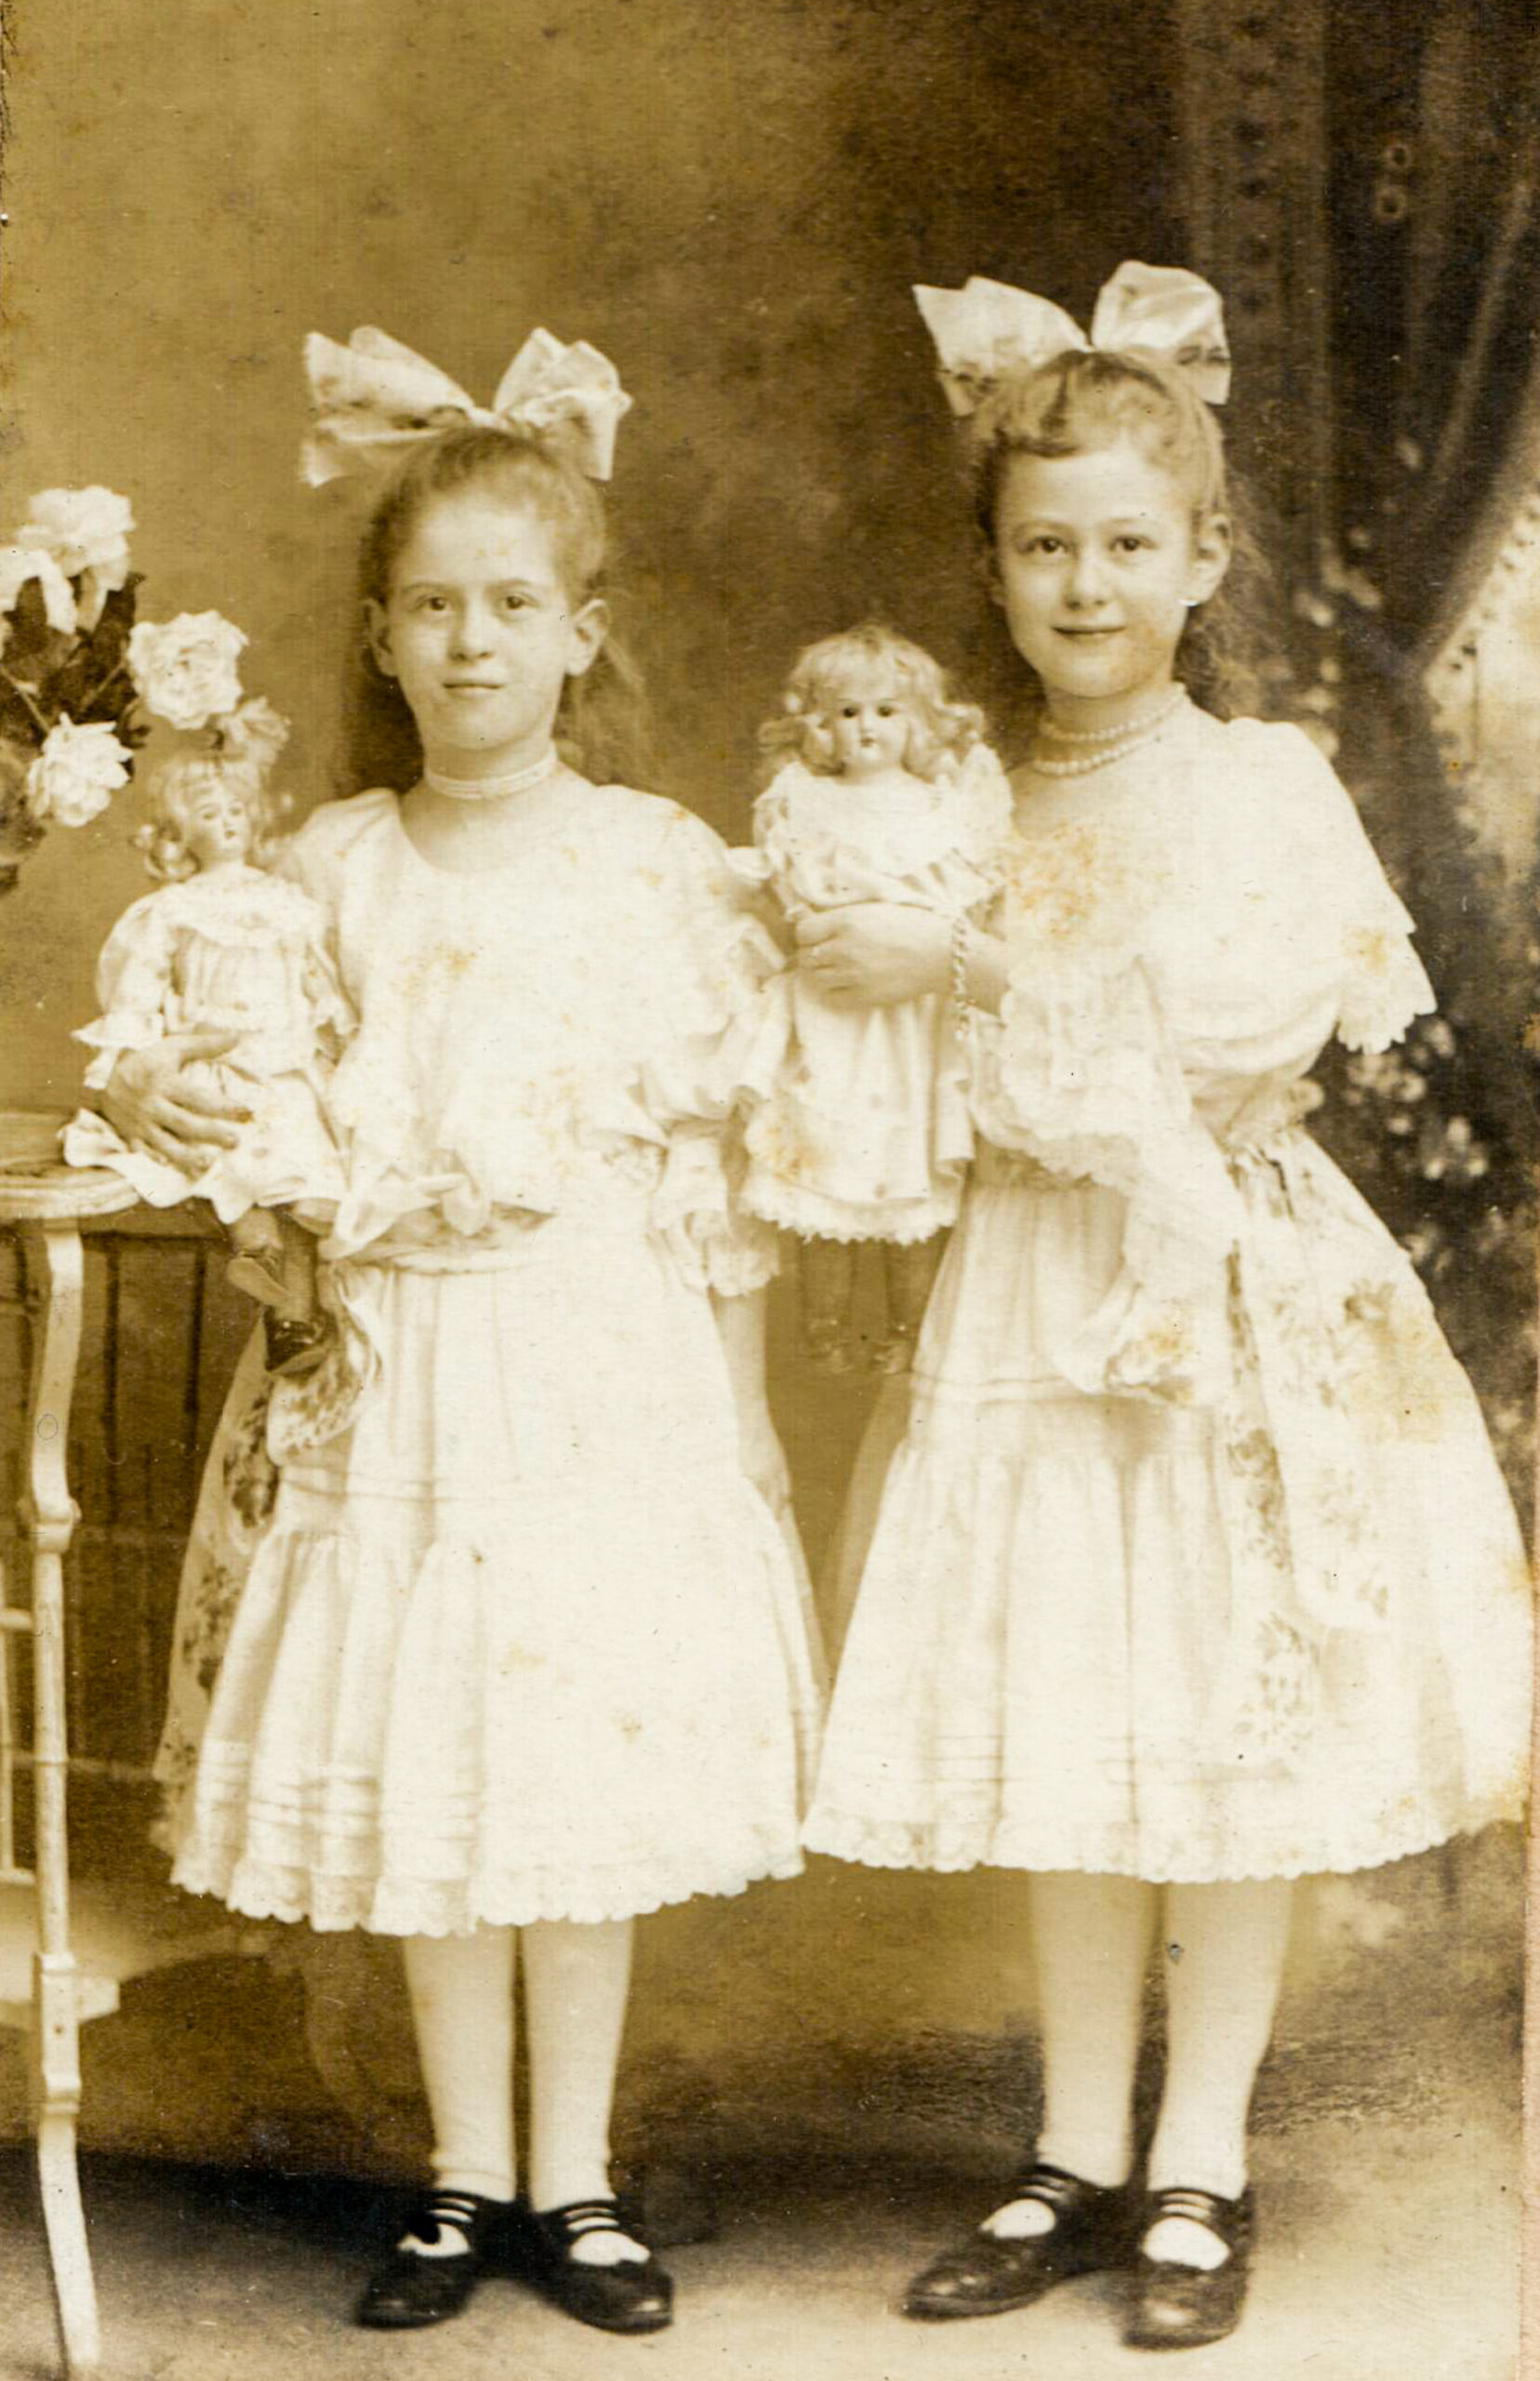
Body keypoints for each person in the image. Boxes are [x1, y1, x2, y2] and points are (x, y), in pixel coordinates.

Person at [801, 262, 1531, 2350]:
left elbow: (1210, 1047)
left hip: (1216, 1288)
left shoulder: (1261, 789)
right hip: (1028, 1296)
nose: (1086, 583)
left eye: (1130, 543)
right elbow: (911, 1087)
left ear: (1204, 558)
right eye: (1045, 547)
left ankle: (1198, 2154)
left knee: (1223, 1705)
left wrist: (954, 987)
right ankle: (1068, 2144)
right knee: (1069, 1702)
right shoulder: (951, 804)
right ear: (994, 566)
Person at [101, 324, 823, 2338]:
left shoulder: (661, 868)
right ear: (382, 634)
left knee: (565, 1770)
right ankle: (457, 2178)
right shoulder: (322, 871)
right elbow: (250, 1104)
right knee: (435, 1747)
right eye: (435, 605)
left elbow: (715, 1165)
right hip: (399, 1363)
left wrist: (745, 1410)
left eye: (518, 604)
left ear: (584, 634)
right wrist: (178, 1101)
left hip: (599, 1355)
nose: (476, 641)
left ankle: (577, 2179)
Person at [737, 623, 1009, 1373]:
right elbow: (790, 888)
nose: (867, 729)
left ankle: (906, 1333)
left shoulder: (939, 806)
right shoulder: (804, 801)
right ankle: (824, 1331)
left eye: (887, 712)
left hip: (913, 1017)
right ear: (820, 723)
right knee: (826, 1160)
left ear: (917, 720)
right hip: (834, 1011)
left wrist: (923, 933)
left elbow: (967, 893)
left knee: (910, 1168)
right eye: (848, 713)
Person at [64, 744, 350, 1376]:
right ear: (178, 833)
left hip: (285, 1062)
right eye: (209, 812)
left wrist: (335, 1028)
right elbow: (141, 985)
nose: (226, 822)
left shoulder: (287, 903)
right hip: (214, 1063)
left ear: (254, 819)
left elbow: (315, 975)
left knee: (304, 1179)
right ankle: (254, 1248)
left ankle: (292, 1325)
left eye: (237, 810)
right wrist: (124, 1054)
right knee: (225, 1160)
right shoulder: (174, 908)